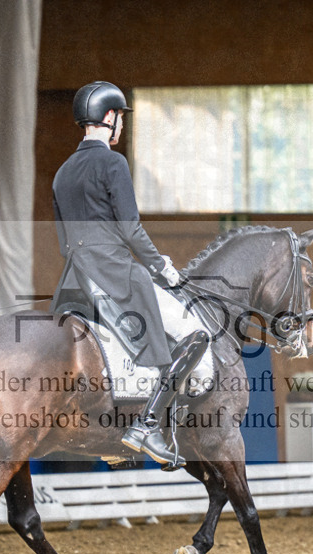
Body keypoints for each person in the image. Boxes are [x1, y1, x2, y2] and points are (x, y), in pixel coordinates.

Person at [51, 81, 213, 471]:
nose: (120, 124)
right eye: (120, 117)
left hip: (75, 283)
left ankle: (112, 434)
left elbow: (63, 239)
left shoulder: (61, 173)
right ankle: (149, 426)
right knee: (197, 335)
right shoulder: (113, 163)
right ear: (110, 118)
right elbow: (129, 229)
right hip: (116, 275)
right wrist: (162, 267)